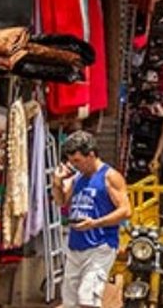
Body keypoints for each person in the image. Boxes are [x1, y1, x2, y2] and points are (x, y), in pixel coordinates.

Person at [53, 131, 131, 308]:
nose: (74, 165)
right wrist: (57, 182)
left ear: (91, 155)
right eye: (71, 161)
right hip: (75, 245)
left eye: (78, 161)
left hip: (100, 245)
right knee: (70, 301)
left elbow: (126, 211)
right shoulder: (77, 178)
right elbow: (61, 201)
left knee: (88, 298)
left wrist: (96, 223)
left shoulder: (110, 176)